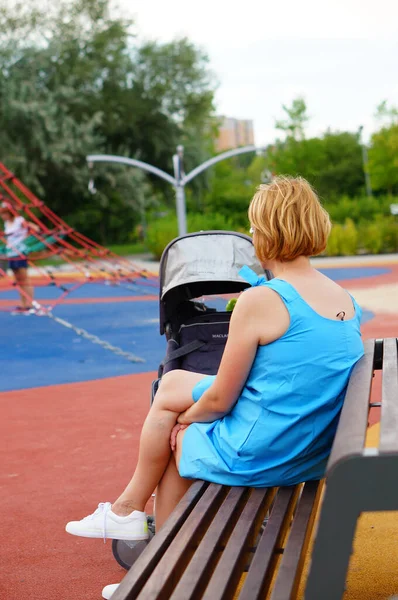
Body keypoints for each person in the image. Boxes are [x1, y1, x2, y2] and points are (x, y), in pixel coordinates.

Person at [65, 177, 364, 599]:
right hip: (310, 448)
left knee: (177, 443)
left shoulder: (262, 300)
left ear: (266, 234)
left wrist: (184, 423)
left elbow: (222, 399)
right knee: (171, 385)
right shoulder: (344, 298)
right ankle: (127, 512)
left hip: (265, 450)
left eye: (255, 228)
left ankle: (161, 576)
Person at [0, 203, 39, 313]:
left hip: (20, 253)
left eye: (4, 213)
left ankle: (30, 304)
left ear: (9, 213)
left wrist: (25, 241)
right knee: (18, 280)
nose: (2, 216)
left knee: (24, 278)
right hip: (11, 253)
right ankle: (23, 304)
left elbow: (35, 228)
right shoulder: (7, 223)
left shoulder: (19, 220)